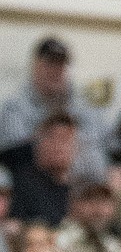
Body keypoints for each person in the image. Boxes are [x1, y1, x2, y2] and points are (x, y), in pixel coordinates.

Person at [0, 36, 111, 181]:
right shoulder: (13, 109)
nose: (56, 70)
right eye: (50, 63)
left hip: (82, 192)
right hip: (34, 191)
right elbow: (18, 160)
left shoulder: (84, 108)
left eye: (61, 64)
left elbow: (100, 160)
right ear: (35, 66)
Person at [4, 112, 84, 227]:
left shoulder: (78, 188)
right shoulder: (19, 185)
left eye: (65, 139)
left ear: (77, 147)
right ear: (37, 142)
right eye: (51, 137)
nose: (58, 145)